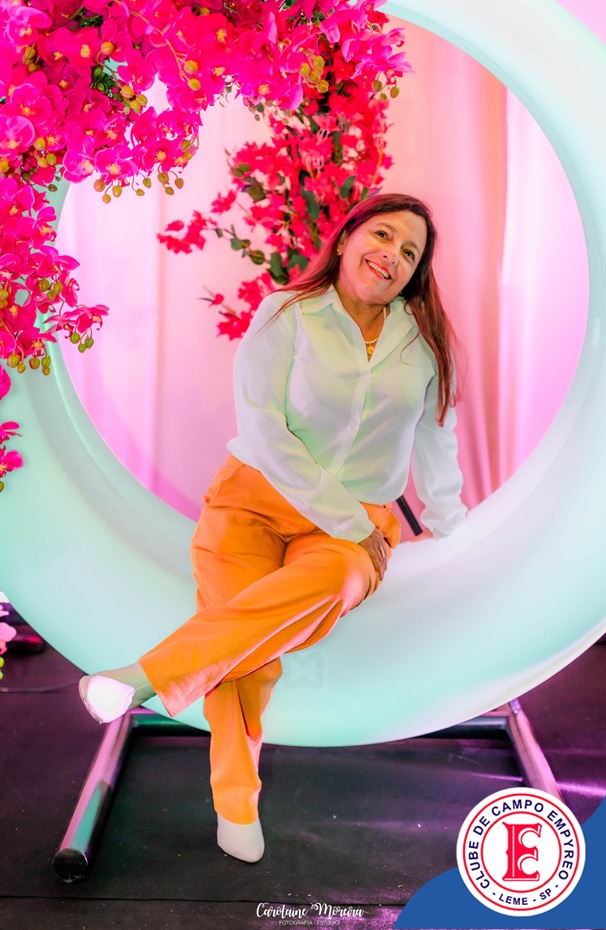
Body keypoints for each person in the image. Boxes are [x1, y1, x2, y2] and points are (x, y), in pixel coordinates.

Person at [78, 192, 467, 863]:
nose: (393, 256)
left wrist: (449, 527)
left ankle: (144, 677)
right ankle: (236, 805)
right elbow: (264, 430)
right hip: (252, 503)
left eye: (410, 252)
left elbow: (437, 437)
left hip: (352, 527)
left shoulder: (422, 344)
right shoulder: (285, 312)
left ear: (417, 273)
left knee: (336, 581)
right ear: (347, 237)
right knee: (245, 654)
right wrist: (348, 519)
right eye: (383, 235)